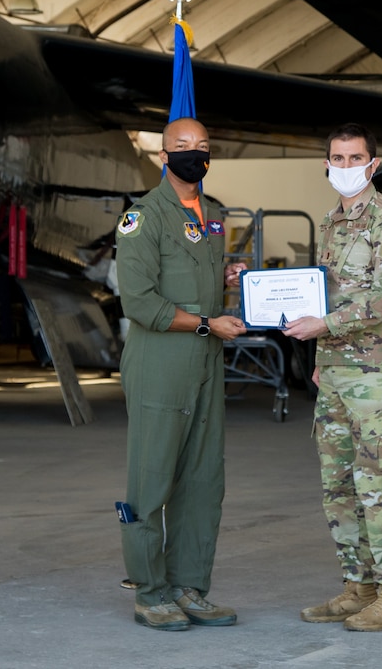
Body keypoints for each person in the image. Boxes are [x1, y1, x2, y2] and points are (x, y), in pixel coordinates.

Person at [283, 123, 382, 632]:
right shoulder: (330, 223)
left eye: (354, 158)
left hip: (378, 376)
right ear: (326, 164)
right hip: (337, 373)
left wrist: (327, 325)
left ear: (373, 164)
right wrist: (320, 348)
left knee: (379, 483)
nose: (344, 167)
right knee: (338, 484)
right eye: (336, 158)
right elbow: (325, 292)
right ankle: (359, 587)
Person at [114, 117, 247, 631]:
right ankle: (150, 591)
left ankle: (189, 586)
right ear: (164, 155)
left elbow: (198, 279)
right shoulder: (142, 217)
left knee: (202, 479)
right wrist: (207, 323)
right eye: (182, 146)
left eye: (203, 146)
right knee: (151, 480)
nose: (194, 153)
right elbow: (140, 302)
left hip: (206, 361)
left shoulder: (212, 214)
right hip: (161, 362)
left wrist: (227, 277)